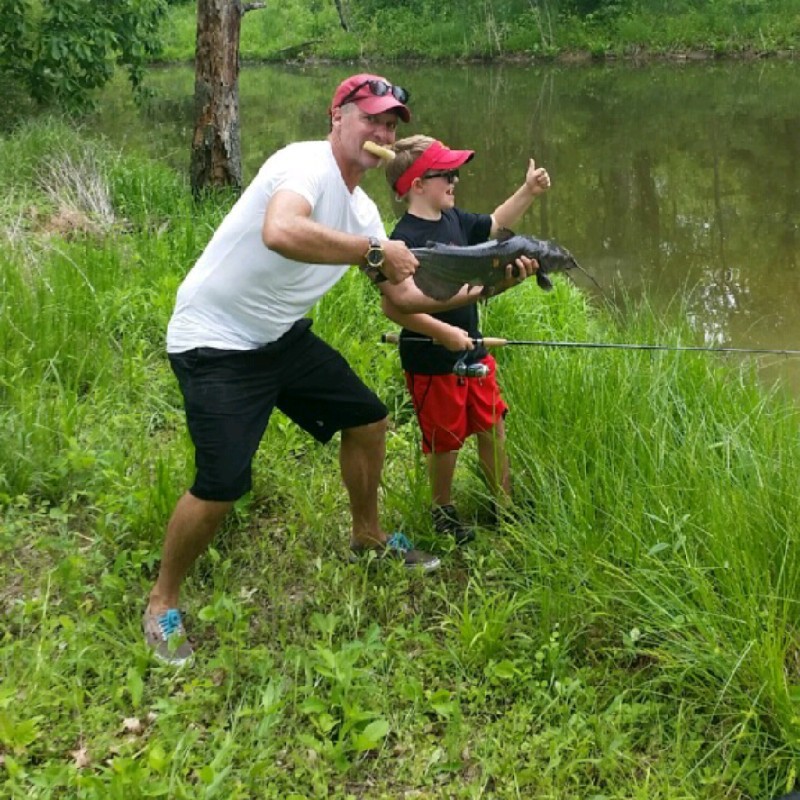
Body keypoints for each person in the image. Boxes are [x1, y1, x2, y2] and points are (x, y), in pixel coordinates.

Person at [143, 75, 538, 665]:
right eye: (370, 118)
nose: (381, 131)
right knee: (223, 483)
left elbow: (401, 301)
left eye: (390, 124)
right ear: (337, 118)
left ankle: (368, 537)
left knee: (370, 419)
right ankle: (160, 603)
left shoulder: (363, 211)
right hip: (215, 341)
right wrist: (372, 252)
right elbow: (281, 231)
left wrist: (491, 287)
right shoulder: (303, 166)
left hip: (282, 338)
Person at [382, 135, 551, 544]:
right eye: (447, 174)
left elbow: (495, 223)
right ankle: (443, 510)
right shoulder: (401, 241)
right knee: (446, 442)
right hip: (433, 360)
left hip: (474, 349)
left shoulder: (455, 219)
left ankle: (503, 504)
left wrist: (527, 191)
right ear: (417, 184)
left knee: (493, 426)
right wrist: (442, 331)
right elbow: (395, 305)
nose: (455, 181)